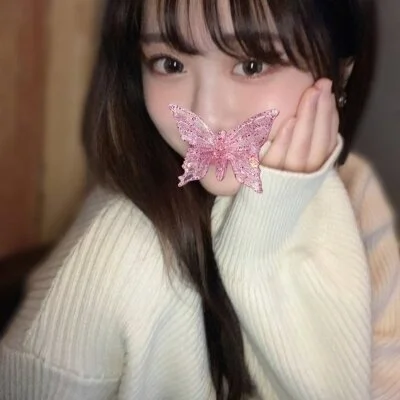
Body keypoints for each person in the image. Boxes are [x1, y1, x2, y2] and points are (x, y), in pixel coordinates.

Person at [1, 0, 399, 399]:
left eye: (252, 65)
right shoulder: (119, 250)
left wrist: (266, 238)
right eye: (170, 64)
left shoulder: (356, 192)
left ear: (340, 74)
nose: (207, 114)